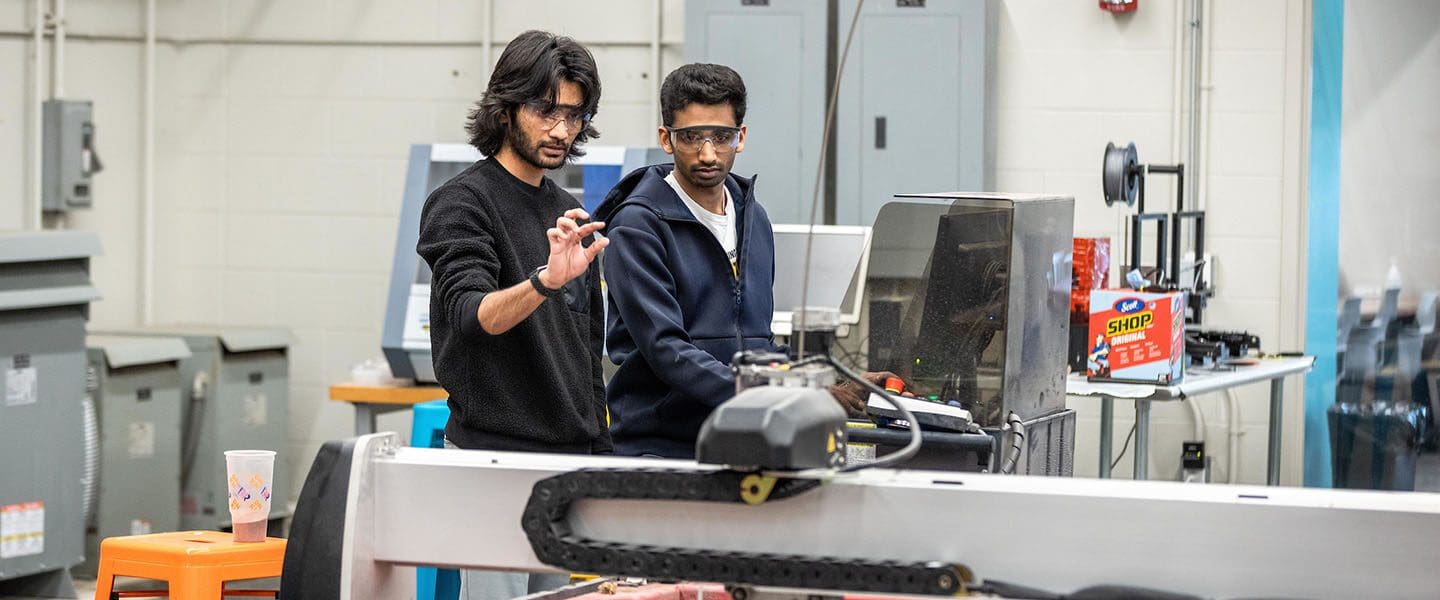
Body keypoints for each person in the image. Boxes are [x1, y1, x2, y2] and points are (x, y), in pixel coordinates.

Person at [596, 63, 897, 459]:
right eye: (691, 137)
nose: (708, 153)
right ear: (665, 139)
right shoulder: (638, 226)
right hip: (663, 447)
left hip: (747, 439)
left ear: (741, 137)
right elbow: (667, 350)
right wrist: (794, 394)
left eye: (721, 137)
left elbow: (759, 344)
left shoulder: (753, 218)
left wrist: (838, 378)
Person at [415, 29, 608, 598]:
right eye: (545, 110)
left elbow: (584, 354)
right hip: (493, 459)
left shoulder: (569, 212)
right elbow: (473, 315)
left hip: (567, 464)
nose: (560, 130)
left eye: (574, 116)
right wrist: (545, 280)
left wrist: (598, 451)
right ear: (505, 109)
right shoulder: (462, 202)